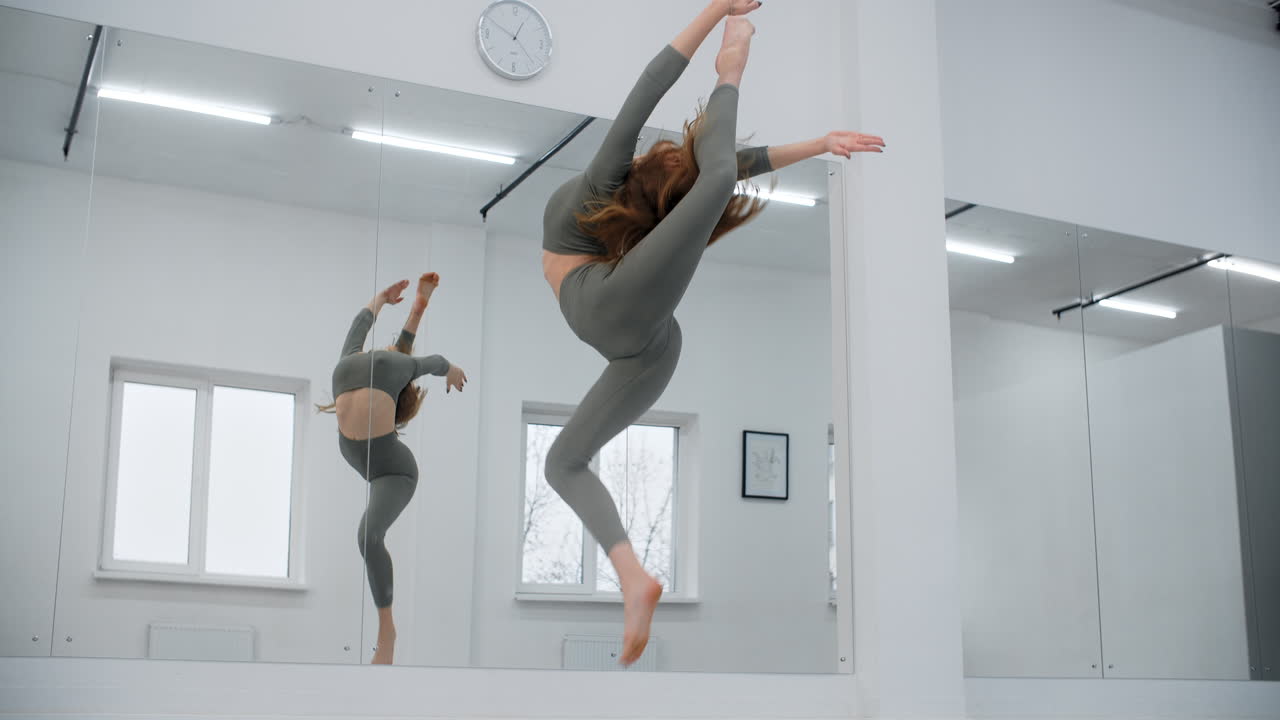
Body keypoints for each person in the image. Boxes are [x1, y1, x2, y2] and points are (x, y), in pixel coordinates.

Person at [539, 0, 885, 666]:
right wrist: (810, 138)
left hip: (610, 314)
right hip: (652, 343)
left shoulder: (601, 186)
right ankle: (633, 576)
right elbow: (719, 162)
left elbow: (657, 93)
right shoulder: (624, 201)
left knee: (563, 462)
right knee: (562, 461)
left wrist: (728, 45)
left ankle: (632, 577)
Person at [320, 272, 468, 664]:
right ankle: (420, 303)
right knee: (400, 354)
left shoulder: (381, 365)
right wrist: (392, 300)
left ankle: (387, 628)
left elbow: (427, 360)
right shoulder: (367, 362)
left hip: (392, 471)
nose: (393, 345)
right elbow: (366, 328)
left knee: (368, 538)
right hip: (367, 464)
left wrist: (450, 368)